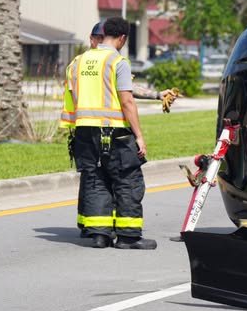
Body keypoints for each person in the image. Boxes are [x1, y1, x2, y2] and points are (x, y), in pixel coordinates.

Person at [62, 21, 177, 238]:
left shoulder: (77, 62)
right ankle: (128, 236)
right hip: (113, 132)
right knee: (128, 180)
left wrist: (155, 94)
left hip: (83, 133)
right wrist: (140, 137)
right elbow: (127, 101)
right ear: (122, 38)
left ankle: (98, 235)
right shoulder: (117, 61)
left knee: (96, 180)